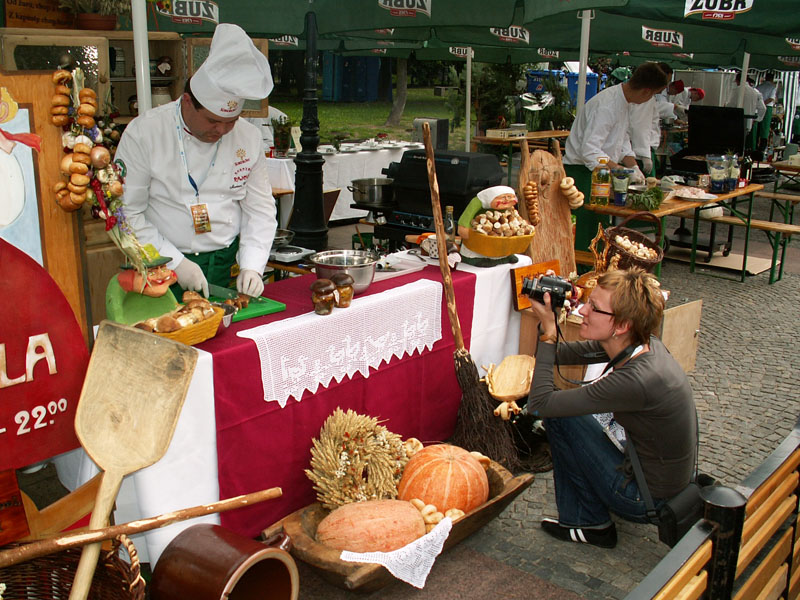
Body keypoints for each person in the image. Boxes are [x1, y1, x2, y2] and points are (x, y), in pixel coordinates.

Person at [524, 268, 697, 549]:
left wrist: (549, 336)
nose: (583, 309)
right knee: (568, 412)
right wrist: (549, 321)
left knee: (560, 416)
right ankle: (588, 516)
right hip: (662, 479)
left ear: (622, 325)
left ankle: (588, 522)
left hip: (644, 499)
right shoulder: (642, 344)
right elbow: (555, 354)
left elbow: (540, 405)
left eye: (595, 307)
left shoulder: (636, 379)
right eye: (588, 301)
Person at [116, 23, 278, 299]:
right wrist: (174, 262)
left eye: (231, 122)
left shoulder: (248, 138)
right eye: (213, 121)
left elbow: (260, 209)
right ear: (188, 102)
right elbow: (126, 214)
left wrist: (252, 264)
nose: (222, 131)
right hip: (159, 268)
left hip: (225, 264)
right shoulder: (145, 133)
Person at [565, 62, 669, 254]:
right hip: (582, 174)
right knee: (585, 234)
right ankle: (581, 275)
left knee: (599, 230)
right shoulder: (607, 105)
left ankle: (596, 270)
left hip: (600, 174)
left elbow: (621, 142)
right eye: (653, 94)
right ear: (646, 92)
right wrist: (619, 168)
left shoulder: (624, 102)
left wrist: (633, 166)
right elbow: (589, 150)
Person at [726, 74, 767, 151]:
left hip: (735, 122)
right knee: (743, 145)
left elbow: (730, 105)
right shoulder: (755, 92)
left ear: (738, 81)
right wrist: (756, 119)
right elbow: (763, 108)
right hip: (748, 123)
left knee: (733, 146)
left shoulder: (737, 90)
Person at [755, 74, 778, 152]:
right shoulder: (772, 87)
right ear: (772, 79)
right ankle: (762, 146)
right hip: (768, 107)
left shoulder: (759, 86)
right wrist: (764, 104)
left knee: (757, 124)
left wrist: (760, 104)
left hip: (757, 107)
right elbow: (771, 98)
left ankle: (755, 144)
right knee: (765, 127)